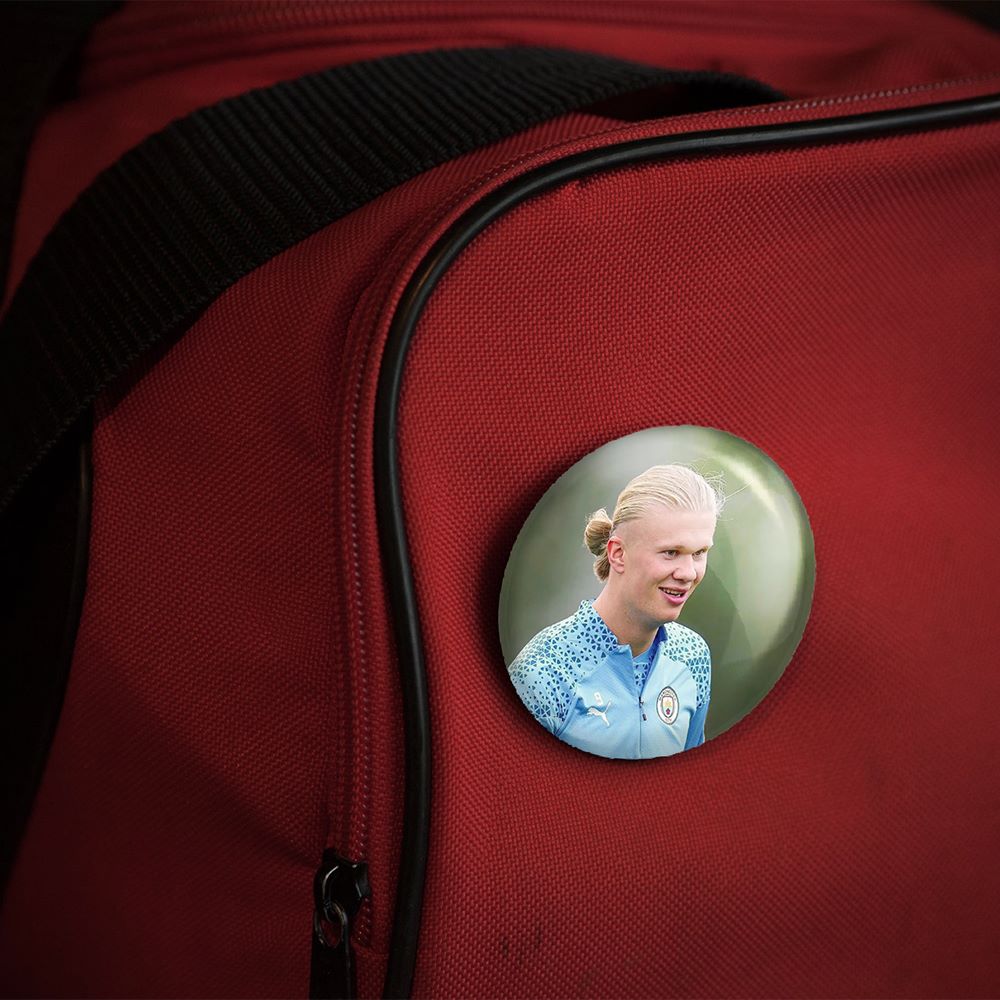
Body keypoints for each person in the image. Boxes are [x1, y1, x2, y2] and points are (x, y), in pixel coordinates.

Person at [509, 464, 723, 759]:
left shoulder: (692, 656)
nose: (688, 573)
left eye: (699, 553)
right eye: (671, 552)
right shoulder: (543, 672)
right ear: (618, 554)